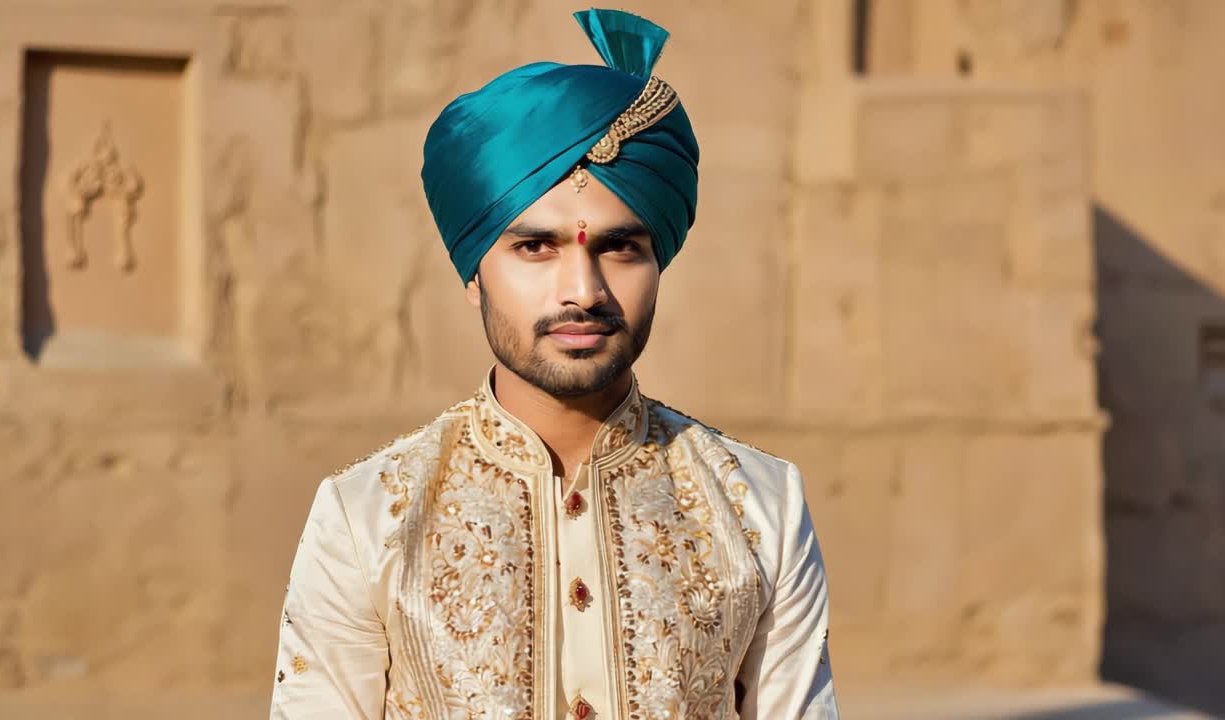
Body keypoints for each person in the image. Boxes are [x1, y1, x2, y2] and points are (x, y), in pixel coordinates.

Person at [270, 8, 837, 719]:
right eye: (535, 248)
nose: (584, 291)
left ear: (658, 261)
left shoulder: (761, 507)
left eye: (620, 247)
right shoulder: (368, 517)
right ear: (474, 273)